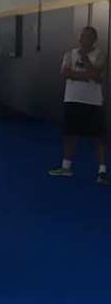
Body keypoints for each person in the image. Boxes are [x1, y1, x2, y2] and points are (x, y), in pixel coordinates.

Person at [49, 26, 108, 185]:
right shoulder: (69, 54)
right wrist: (86, 76)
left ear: (94, 39)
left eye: (88, 36)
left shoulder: (100, 55)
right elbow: (65, 73)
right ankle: (66, 167)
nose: (84, 39)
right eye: (82, 36)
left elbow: (97, 76)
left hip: (93, 101)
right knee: (70, 134)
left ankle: (102, 172)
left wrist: (85, 61)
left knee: (98, 137)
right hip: (72, 99)